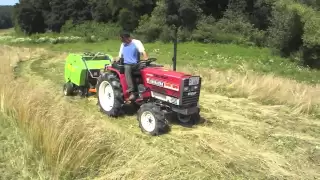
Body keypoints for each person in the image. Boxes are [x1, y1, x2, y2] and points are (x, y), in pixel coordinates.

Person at [116, 31, 148, 101]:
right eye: (122, 39)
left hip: (136, 64)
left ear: (127, 38)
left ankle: (146, 88)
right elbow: (120, 56)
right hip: (127, 64)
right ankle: (132, 91)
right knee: (127, 67)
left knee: (148, 67)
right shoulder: (123, 45)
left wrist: (146, 59)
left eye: (123, 39)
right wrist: (115, 60)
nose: (122, 41)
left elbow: (143, 52)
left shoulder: (136, 42)